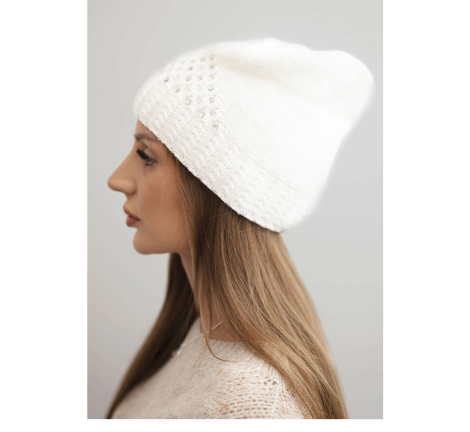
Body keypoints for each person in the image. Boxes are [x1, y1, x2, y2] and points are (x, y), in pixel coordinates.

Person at [105, 38, 374, 419]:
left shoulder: (254, 406)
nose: (117, 179)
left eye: (146, 156)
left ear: (217, 188)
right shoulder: (196, 337)